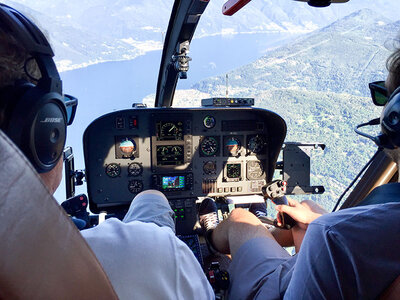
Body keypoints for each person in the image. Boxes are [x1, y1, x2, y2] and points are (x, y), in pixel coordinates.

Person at [0, 4, 214, 299]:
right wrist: (143, 236)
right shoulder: (149, 256)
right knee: (152, 203)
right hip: (150, 240)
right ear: (42, 132)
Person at [203, 44, 400, 299]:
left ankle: (209, 238)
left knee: (240, 218)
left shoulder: (334, 236)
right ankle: (262, 223)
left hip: (281, 289)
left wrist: (326, 228)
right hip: (335, 277)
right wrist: (322, 222)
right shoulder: (341, 232)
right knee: (305, 212)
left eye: (386, 97)